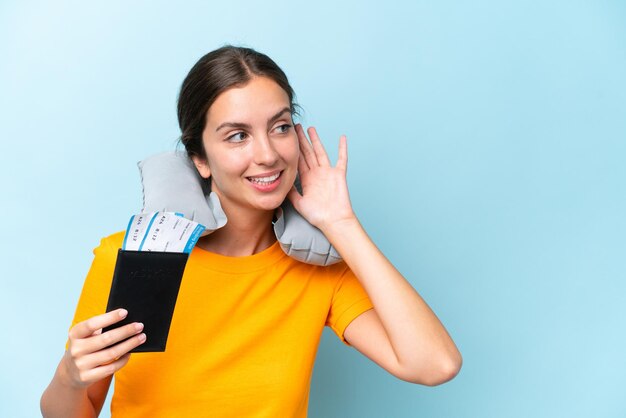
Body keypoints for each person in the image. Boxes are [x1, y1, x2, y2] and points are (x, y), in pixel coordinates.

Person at [41, 45, 462, 417]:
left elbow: (435, 364)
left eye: (280, 127)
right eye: (237, 136)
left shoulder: (319, 270)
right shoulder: (131, 257)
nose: (267, 155)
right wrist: (69, 377)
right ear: (200, 159)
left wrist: (341, 223)